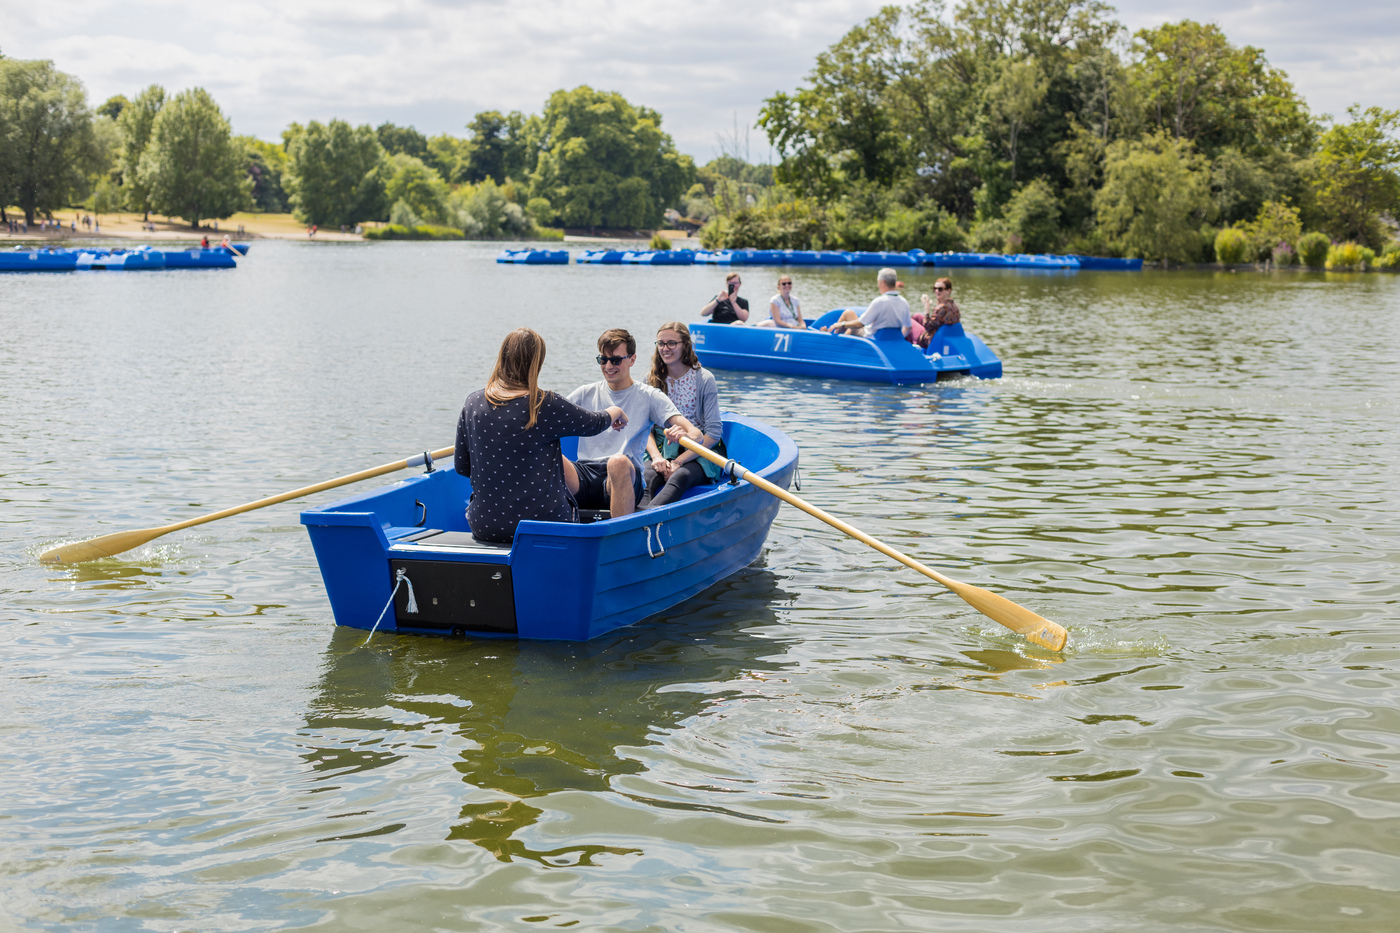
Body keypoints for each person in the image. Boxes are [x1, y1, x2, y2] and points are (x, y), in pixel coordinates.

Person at [455, 328, 628, 543]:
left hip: (486, 526)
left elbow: (462, 466)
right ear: (536, 363)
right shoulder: (543, 404)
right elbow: (593, 424)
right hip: (544, 526)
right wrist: (615, 412)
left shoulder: (473, 403)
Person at [563, 328, 701, 519]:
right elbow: (548, 419)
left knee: (617, 462)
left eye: (616, 360)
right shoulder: (585, 392)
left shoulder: (649, 396)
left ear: (632, 360)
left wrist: (683, 434)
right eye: (603, 360)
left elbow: (697, 435)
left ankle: (620, 536)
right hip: (584, 474)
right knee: (551, 456)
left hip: (623, 476)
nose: (608, 366)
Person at [643, 322, 725, 506]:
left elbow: (713, 433)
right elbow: (644, 427)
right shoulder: (651, 380)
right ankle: (634, 526)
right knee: (646, 477)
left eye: (672, 343)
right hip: (660, 448)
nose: (665, 348)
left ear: (685, 345)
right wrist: (657, 458)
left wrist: (679, 461)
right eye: (661, 343)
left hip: (698, 450)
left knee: (678, 478)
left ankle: (645, 523)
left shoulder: (704, 379)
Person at [821, 268, 912, 340]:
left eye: (878, 281)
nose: (878, 285)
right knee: (851, 326)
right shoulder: (904, 302)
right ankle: (843, 339)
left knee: (848, 313)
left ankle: (831, 339)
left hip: (872, 337)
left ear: (883, 282)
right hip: (891, 338)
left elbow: (860, 324)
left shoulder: (879, 302)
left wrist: (840, 324)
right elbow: (908, 327)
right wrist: (898, 338)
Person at [915, 277, 961, 349]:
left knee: (910, 322)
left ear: (948, 290)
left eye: (940, 289)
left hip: (933, 339)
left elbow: (928, 327)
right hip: (945, 335)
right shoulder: (954, 305)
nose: (936, 291)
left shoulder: (941, 308)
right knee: (917, 316)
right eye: (935, 288)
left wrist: (927, 308)